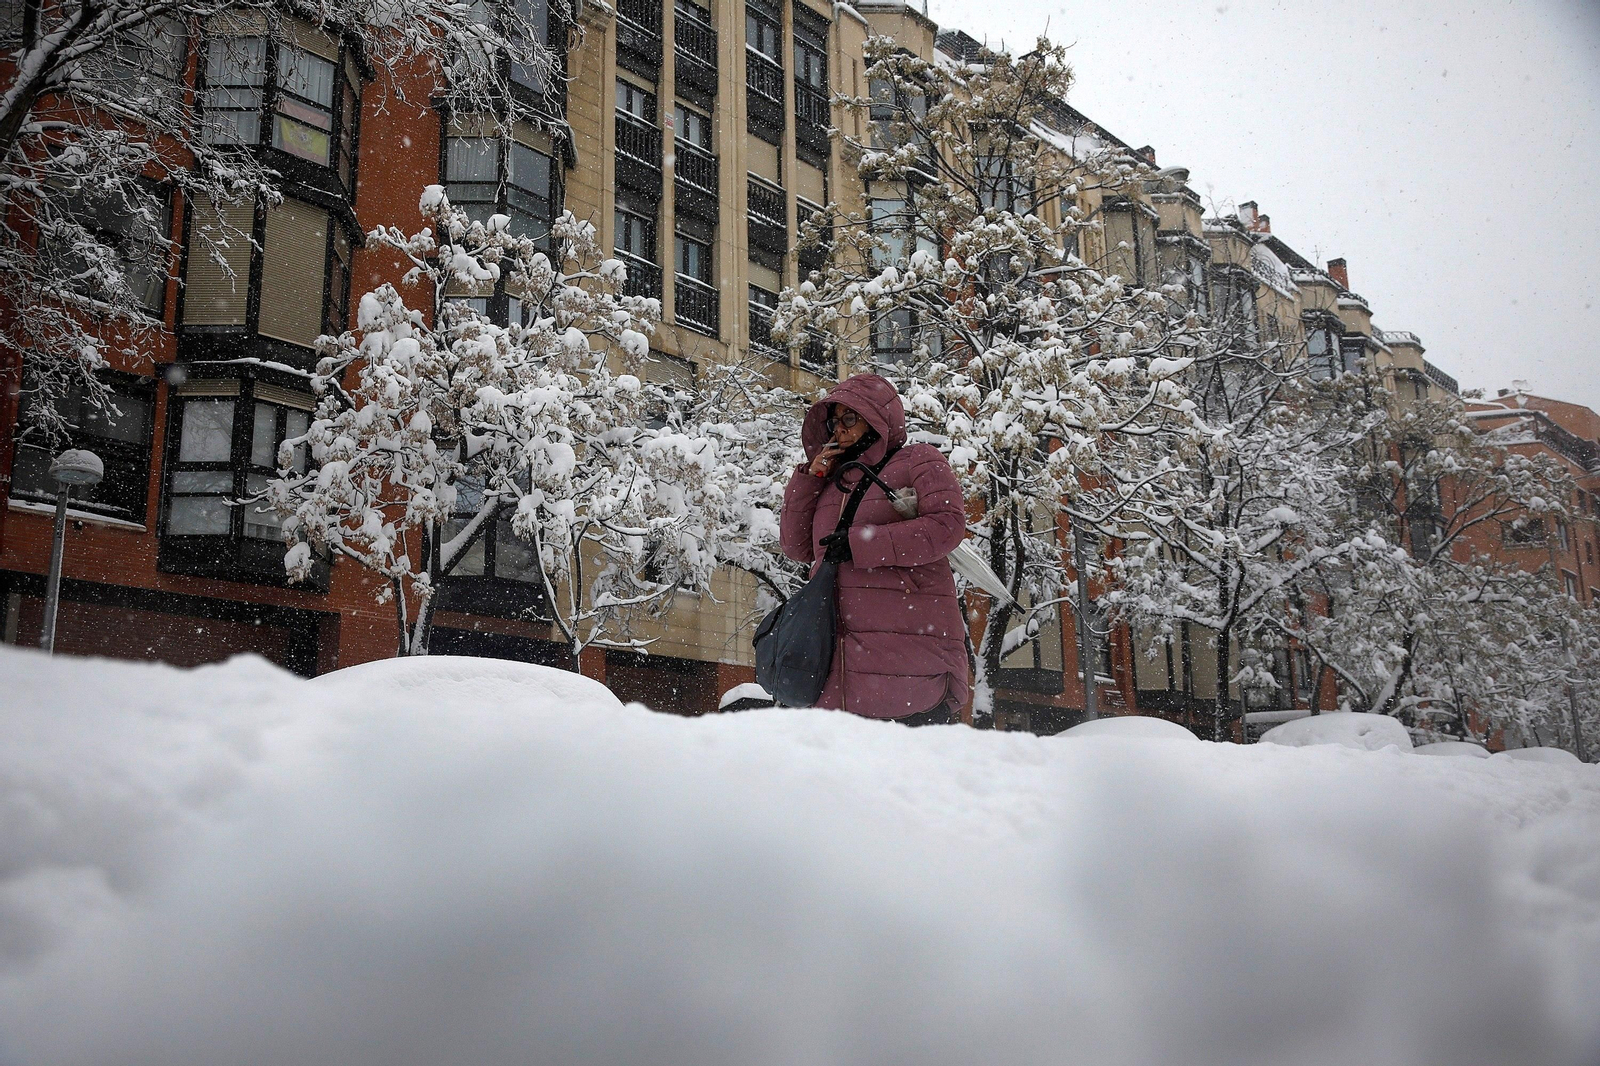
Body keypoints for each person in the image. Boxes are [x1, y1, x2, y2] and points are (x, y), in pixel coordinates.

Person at [779, 373, 970, 725]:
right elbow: (796, 546)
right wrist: (811, 477)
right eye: (835, 420)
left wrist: (861, 544)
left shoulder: (920, 460)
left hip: (907, 653)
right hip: (841, 658)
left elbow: (947, 526)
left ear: (878, 418)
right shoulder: (835, 479)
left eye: (849, 417)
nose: (839, 429)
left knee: (904, 772)